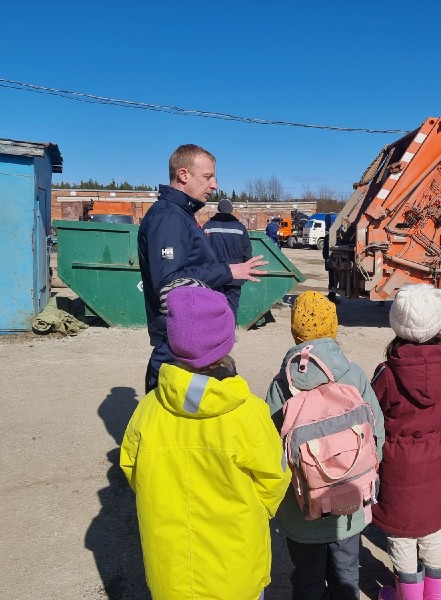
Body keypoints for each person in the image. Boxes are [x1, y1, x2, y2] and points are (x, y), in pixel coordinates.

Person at [119, 286, 291, 600]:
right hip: (236, 571)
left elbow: (132, 470)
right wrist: (256, 510)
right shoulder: (248, 413)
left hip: (171, 576)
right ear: (226, 343)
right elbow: (275, 478)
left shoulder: (147, 411)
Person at [265, 291, 385, 600]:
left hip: (301, 510)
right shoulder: (353, 375)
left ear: (295, 332)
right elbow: (377, 434)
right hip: (349, 504)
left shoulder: (281, 384)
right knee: (345, 574)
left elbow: (269, 447)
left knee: (308, 579)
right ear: (333, 329)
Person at [137, 144, 267, 393]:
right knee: (173, 422)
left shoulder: (181, 215)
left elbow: (191, 268)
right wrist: (228, 272)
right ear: (183, 175)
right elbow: (169, 285)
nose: (214, 185)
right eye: (208, 177)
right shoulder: (169, 218)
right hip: (178, 344)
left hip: (187, 340)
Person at [370, 284, 441, 600]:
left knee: (403, 537)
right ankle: (435, 596)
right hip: (436, 459)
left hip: (396, 464)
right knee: (434, 531)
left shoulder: (388, 373)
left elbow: (373, 413)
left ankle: (408, 596)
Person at [202, 198, 253, 320]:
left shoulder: (208, 226)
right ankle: (230, 333)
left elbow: (201, 250)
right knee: (232, 304)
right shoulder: (240, 227)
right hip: (235, 274)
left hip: (214, 273)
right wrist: (245, 267)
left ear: (219, 209)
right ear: (231, 210)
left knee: (213, 304)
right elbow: (247, 251)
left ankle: (215, 333)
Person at [322, 213, 340, 303]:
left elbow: (325, 251)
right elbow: (326, 251)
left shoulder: (327, 236)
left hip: (330, 261)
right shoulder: (332, 237)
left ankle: (332, 295)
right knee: (333, 279)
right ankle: (332, 296)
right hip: (332, 261)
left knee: (332, 279)